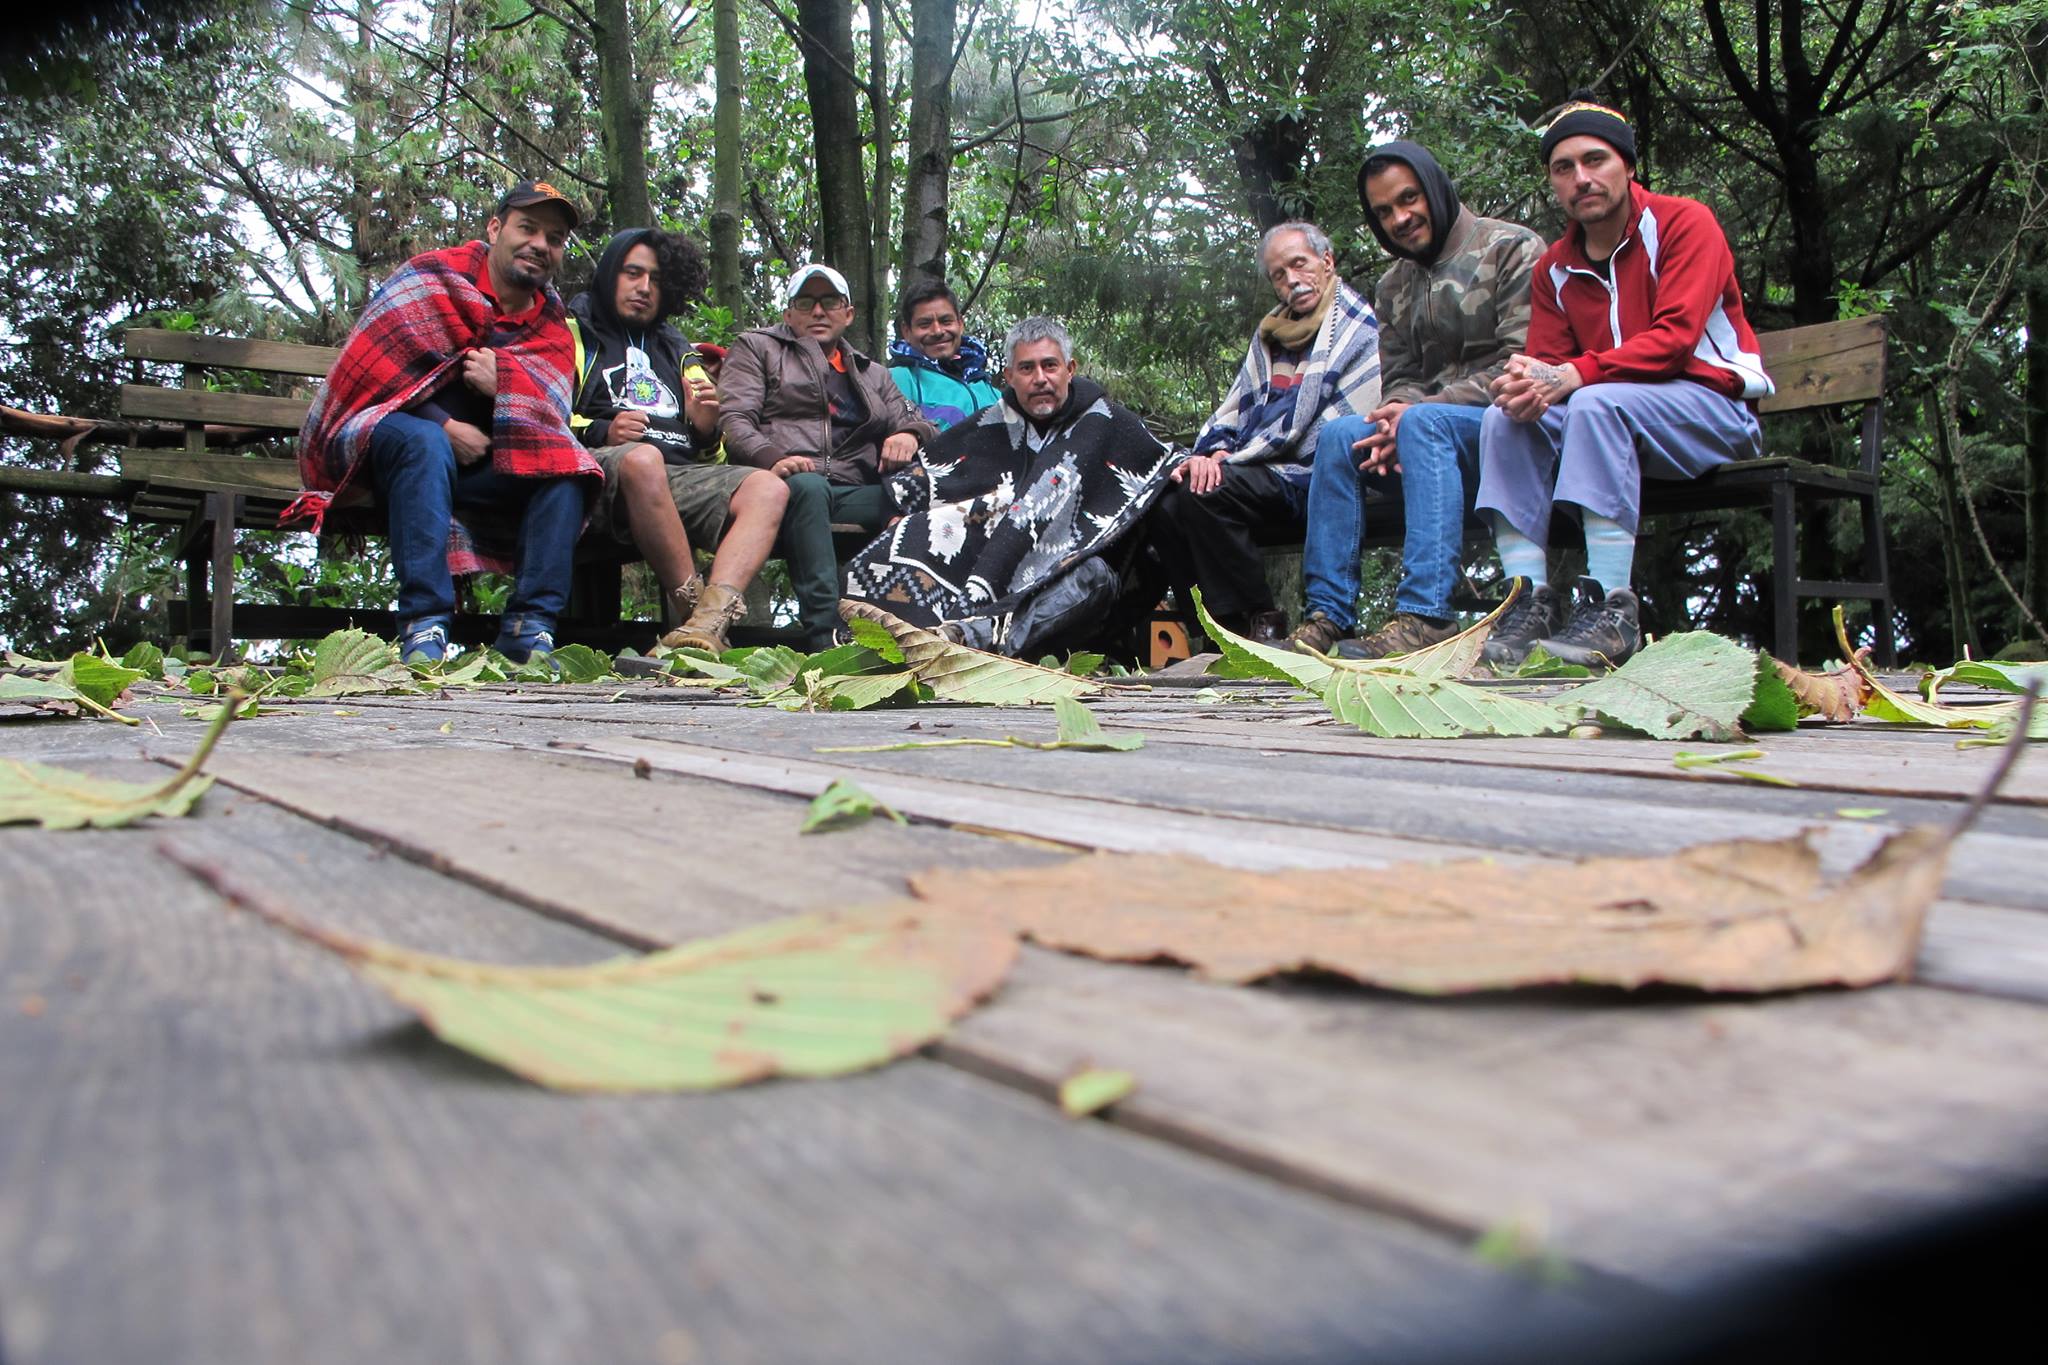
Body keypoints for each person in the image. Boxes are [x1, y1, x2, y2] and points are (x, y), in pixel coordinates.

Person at [1478, 97, 1773, 668]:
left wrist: (1572, 375)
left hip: (1714, 410)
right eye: (1564, 168)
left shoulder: (1686, 223)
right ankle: (1524, 604)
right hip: (1613, 420)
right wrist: (1522, 384)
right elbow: (1548, 367)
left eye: (1595, 160)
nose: (1581, 178)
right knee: (1503, 421)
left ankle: (1610, 607)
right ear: (1553, 184)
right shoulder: (1555, 267)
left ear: (1628, 165)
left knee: (1594, 402)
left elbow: (1675, 340)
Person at [295, 179, 599, 664]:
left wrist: (506, 389)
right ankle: (424, 624)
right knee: (425, 445)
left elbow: (549, 422)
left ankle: (529, 628)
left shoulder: (553, 326)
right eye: (528, 228)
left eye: (555, 238)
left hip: (484, 470)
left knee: (571, 469)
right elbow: (377, 379)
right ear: (495, 228)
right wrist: (442, 424)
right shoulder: (432, 277)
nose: (540, 244)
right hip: (387, 448)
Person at [1292, 142, 1544, 658]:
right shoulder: (1394, 285)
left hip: (1508, 432)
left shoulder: (1511, 248)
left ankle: (1427, 614)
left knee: (1423, 424)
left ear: (1435, 187)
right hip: (1423, 436)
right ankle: (1328, 616)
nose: (1400, 219)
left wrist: (1416, 415)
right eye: (1383, 212)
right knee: (1340, 435)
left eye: (1409, 199)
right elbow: (1402, 377)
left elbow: (1525, 364)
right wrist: (1392, 419)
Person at [842, 316, 1181, 656]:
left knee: (1095, 576)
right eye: (1027, 369)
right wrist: (897, 519)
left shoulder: (1111, 424)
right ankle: (930, 644)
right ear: (1009, 376)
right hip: (984, 579)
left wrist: (1188, 464)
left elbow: (1160, 465)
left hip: (1068, 597)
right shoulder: (987, 427)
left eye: (1050, 366)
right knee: (897, 547)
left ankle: (979, 644)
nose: (1040, 379)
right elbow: (919, 481)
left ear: (1070, 368)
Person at [1144, 221, 1380, 643]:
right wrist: (1212, 451)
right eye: (1279, 274)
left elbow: (1336, 430)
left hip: (1312, 476)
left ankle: (1260, 622)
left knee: (1208, 492)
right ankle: (1217, 633)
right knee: (1168, 496)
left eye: (1299, 264)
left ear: (1326, 262)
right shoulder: (1272, 333)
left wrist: (1232, 461)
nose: (1292, 280)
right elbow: (1235, 408)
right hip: (1258, 469)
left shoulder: (1357, 327)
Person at [567, 228, 787, 654]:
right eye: (633, 273)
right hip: (598, 471)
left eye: (656, 279)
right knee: (644, 460)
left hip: (678, 475)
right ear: (611, 272)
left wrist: (707, 427)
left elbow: (712, 454)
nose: (644, 288)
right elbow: (543, 412)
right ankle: (689, 616)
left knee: (769, 487)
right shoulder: (573, 331)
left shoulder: (678, 349)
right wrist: (600, 431)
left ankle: (706, 625)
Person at [718, 264, 939, 649]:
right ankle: (826, 635)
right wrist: (772, 458)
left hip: (853, 490)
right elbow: (735, 419)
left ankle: (928, 628)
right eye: (806, 302)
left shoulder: (872, 373)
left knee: (930, 496)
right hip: (784, 487)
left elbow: (921, 423)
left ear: (848, 313)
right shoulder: (758, 348)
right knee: (809, 486)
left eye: (830, 302)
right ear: (789, 314)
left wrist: (908, 433)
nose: (818, 312)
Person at [887, 278, 1001, 429]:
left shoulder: (988, 389)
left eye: (946, 321)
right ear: (906, 331)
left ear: (960, 324)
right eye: (925, 324)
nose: (937, 331)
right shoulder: (896, 379)